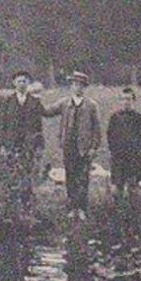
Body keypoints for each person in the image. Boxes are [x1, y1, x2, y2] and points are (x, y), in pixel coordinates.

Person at [44, 70, 102, 219]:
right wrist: (35, 101)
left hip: (84, 148)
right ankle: (71, 208)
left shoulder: (91, 105)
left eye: (80, 85)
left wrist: (94, 148)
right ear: (71, 87)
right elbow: (47, 111)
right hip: (69, 147)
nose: (77, 88)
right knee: (70, 177)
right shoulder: (64, 103)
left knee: (83, 178)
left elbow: (97, 129)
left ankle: (81, 208)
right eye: (75, 85)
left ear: (84, 87)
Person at [106, 86, 141, 198]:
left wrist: (137, 150)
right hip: (118, 157)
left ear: (133, 101)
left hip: (133, 157)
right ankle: (118, 210)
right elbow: (110, 136)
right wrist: (114, 151)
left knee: (133, 186)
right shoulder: (114, 118)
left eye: (129, 99)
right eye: (123, 99)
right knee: (117, 187)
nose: (126, 102)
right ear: (120, 101)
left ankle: (134, 211)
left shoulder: (139, 118)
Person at [4, 70, 46, 176]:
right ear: (14, 83)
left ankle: (28, 191)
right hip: (12, 142)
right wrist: (3, 143)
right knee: (13, 169)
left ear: (28, 83)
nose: (22, 84)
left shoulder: (35, 102)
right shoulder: (7, 101)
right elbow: (3, 123)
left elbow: (38, 125)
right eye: (19, 81)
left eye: (24, 81)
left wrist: (39, 145)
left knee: (29, 168)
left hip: (29, 141)